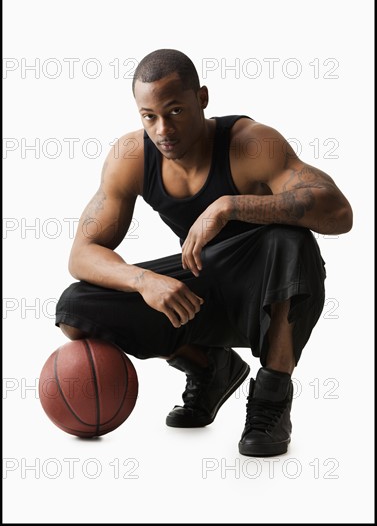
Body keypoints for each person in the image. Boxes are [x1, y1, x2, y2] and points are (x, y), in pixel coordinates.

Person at [55, 49, 353, 456]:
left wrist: (230, 205)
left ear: (202, 98)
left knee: (290, 239)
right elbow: (82, 254)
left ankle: (271, 399)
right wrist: (144, 282)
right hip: (199, 291)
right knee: (76, 308)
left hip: (269, 287)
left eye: (175, 110)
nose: (163, 130)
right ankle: (210, 368)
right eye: (149, 116)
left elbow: (338, 211)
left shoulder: (250, 144)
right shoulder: (132, 157)